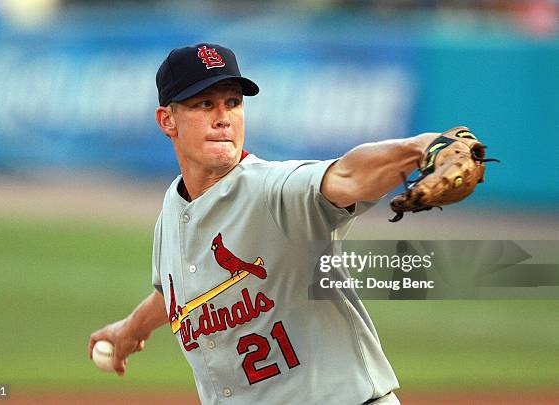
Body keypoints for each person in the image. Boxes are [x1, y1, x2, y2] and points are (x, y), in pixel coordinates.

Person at [89, 43, 439, 405]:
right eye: (205, 104)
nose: (223, 117)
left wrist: (421, 148)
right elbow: (183, 294)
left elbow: (348, 174)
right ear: (167, 120)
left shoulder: (276, 190)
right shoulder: (174, 207)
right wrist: (131, 329)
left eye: (233, 102)